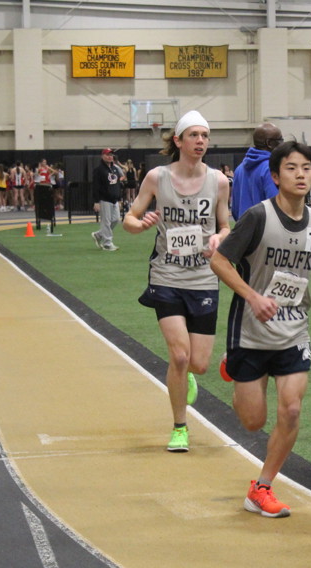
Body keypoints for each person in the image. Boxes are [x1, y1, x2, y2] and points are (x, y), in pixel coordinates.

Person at [211, 141, 311, 518]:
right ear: (275, 176)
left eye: (306, 168)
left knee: (292, 409)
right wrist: (252, 297)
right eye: (291, 168)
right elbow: (219, 261)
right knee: (253, 421)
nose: (301, 174)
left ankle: (262, 487)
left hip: (293, 330)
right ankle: (232, 365)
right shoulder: (258, 217)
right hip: (251, 330)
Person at [123, 111, 231, 452]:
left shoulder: (219, 181)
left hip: (203, 278)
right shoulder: (157, 178)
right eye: (194, 135)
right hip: (166, 275)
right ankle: (179, 427)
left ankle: (187, 377)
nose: (201, 141)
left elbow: (225, 225)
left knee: (198, 363)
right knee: (180, 356)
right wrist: (140, 224)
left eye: (205, 135)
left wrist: (219, 238)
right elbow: (129, 218)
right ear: (179, 140)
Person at [231, 122, 283, 221]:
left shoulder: (239, 169)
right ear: (269, 143)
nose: (282, 144)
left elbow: (235, 210)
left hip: (244, 228)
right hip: (266, 228)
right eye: (280, 140)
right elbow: (277, 207)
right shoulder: (270, 168)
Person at [92, 148, 123, 251]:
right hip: (104, 199)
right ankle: (107, 244)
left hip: (114, 199)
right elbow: (95, 186)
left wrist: (119, 199)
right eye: (107, 155)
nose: (110, 157)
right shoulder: (99, 170)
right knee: (106, 222)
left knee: (116, 219)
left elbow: (118, 184)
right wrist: (96, 201)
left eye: (111, 155)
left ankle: (99, 235)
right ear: (102, 156)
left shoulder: (115, 169)